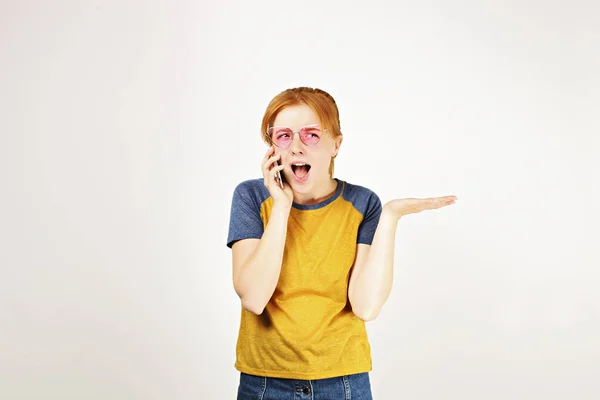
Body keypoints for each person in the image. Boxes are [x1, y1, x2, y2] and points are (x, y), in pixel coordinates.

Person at [226, 87, 456, 399]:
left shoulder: (363, 203)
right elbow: (253, 297)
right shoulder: (251, 196)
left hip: (344, 383)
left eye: (310, 135)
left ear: (336, 143)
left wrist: (390, 217)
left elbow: (365, 306)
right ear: (271, 148)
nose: (295, 148)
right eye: (283, 136)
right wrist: (281, 207)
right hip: (265, 382)